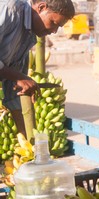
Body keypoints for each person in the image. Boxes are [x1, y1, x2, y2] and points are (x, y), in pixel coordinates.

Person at [0, 0, 75, 137]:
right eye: (53, 23)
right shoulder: (9, 10)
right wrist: (18, 77)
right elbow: (16, 77)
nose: (53, 31)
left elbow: (14, 93)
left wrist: (29, 142)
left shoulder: (28, 36)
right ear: (41, 7)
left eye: (58, 28)